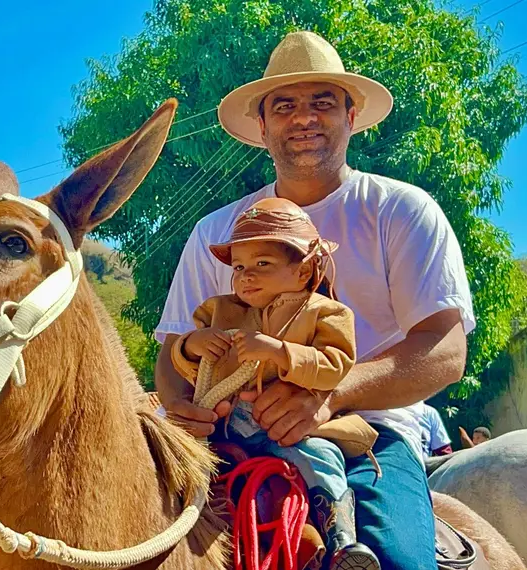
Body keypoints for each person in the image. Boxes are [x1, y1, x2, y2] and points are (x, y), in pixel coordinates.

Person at [154, 30, 473, 570]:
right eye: (284, 106)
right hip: (227, 432)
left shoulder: (402, 210)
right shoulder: (216, 231)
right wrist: (185, 409)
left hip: (367, 432)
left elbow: (444, 351)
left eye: (323, 102)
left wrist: (329, 395)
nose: (304, 118)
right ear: (263, 127)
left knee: (395, 561)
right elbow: (172, 351)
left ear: (351, 116)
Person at [170, 197, 380, 568]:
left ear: (303, 271)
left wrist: (281, 353)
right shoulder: (217, 310)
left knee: (321, 457)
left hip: (294, 431)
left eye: (262, 264)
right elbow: (187, 364)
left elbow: (335, 366)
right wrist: (191, 346)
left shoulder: (327, 313)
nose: (246, 275)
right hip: (225, 425)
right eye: (239, 266)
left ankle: (341, 538)